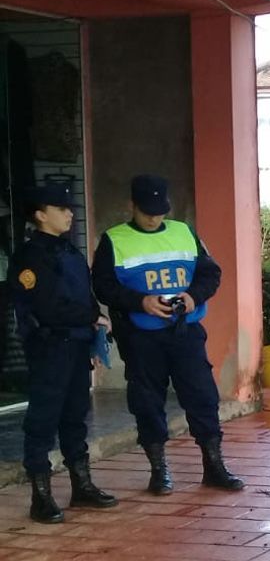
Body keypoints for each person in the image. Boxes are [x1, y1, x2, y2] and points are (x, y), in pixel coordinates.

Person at [91, 174, 242, 495]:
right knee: (147, 402)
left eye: (159, 211)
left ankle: (214, 466)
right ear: (130, 206)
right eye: (147, 211)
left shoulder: (183, 232)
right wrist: (140, 301)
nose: (154, 217)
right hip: (141, 337)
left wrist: (193, 297)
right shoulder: (114, 240)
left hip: (184, 331)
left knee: (202, 396)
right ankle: (159, 471)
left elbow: (210, 273)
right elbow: (102, 286)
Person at [8, 183, 117, 523]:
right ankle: (40, 496)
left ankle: (81, 485)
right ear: (40, 215)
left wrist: (95, 328)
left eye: (70, 207)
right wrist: (92, 317)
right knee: (42, 421)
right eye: (61, 208)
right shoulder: (30, 257)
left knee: (74, 417)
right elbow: (47, 306)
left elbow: (84, 296)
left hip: (76, 344)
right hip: (50, 347)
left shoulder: (69, 251)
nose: (70, 213)